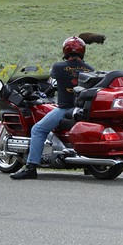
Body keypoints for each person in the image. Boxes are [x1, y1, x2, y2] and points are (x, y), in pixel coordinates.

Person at [11, 36, 94, 180]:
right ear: (82, 51)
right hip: (83, 109)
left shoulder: (58, 67)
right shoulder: (90, 69)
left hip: (65, 109)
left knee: (37, 129)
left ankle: (31, 167)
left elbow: (51, 81)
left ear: (65, 50)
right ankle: (88, 166)